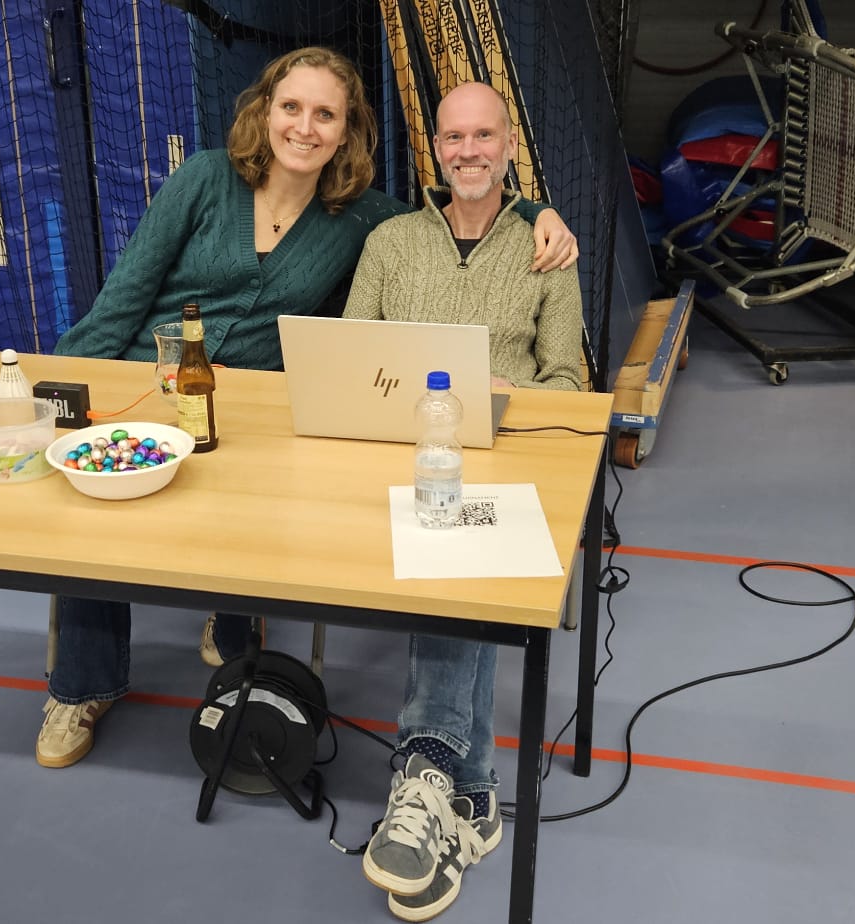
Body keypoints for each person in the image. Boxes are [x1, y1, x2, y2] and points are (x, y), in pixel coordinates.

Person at [36, 47, 579, 771]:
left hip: (253, 404)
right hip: (150, 381)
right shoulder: (205, 179)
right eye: (291, 107)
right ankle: (82, 686)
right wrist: (61, 390)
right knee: (93, 509)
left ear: (346, 131)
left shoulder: (358, 217)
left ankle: (235, 627)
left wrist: (539, 211)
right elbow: (123, 297)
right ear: (264, 110)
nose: (304, 126)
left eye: (325, 114)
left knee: (261, 479)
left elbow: (460, 208)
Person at [343, 81, 582, 923]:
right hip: (392, 459)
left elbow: (570, 385)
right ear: (435, 148)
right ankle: (471, 799)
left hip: (501, 465)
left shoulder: (547, 250)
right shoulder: (390, 242)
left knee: (453, 552)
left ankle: (429, 768)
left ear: (509, 145)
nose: (469, 151)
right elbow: (352, 360)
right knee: (439, 538)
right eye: (454, 137)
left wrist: (500, 394)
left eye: (484, 136)